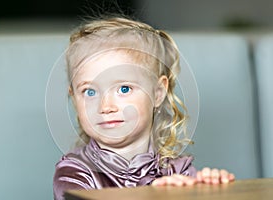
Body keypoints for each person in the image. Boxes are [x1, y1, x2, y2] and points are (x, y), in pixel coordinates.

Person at [53, 16, 235, 200]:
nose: (106, 106)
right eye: (90, 92)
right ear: (74, 98)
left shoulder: (178, 171)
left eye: (124, 89)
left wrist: (210, 189)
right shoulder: (74, 173)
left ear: (157, 93)